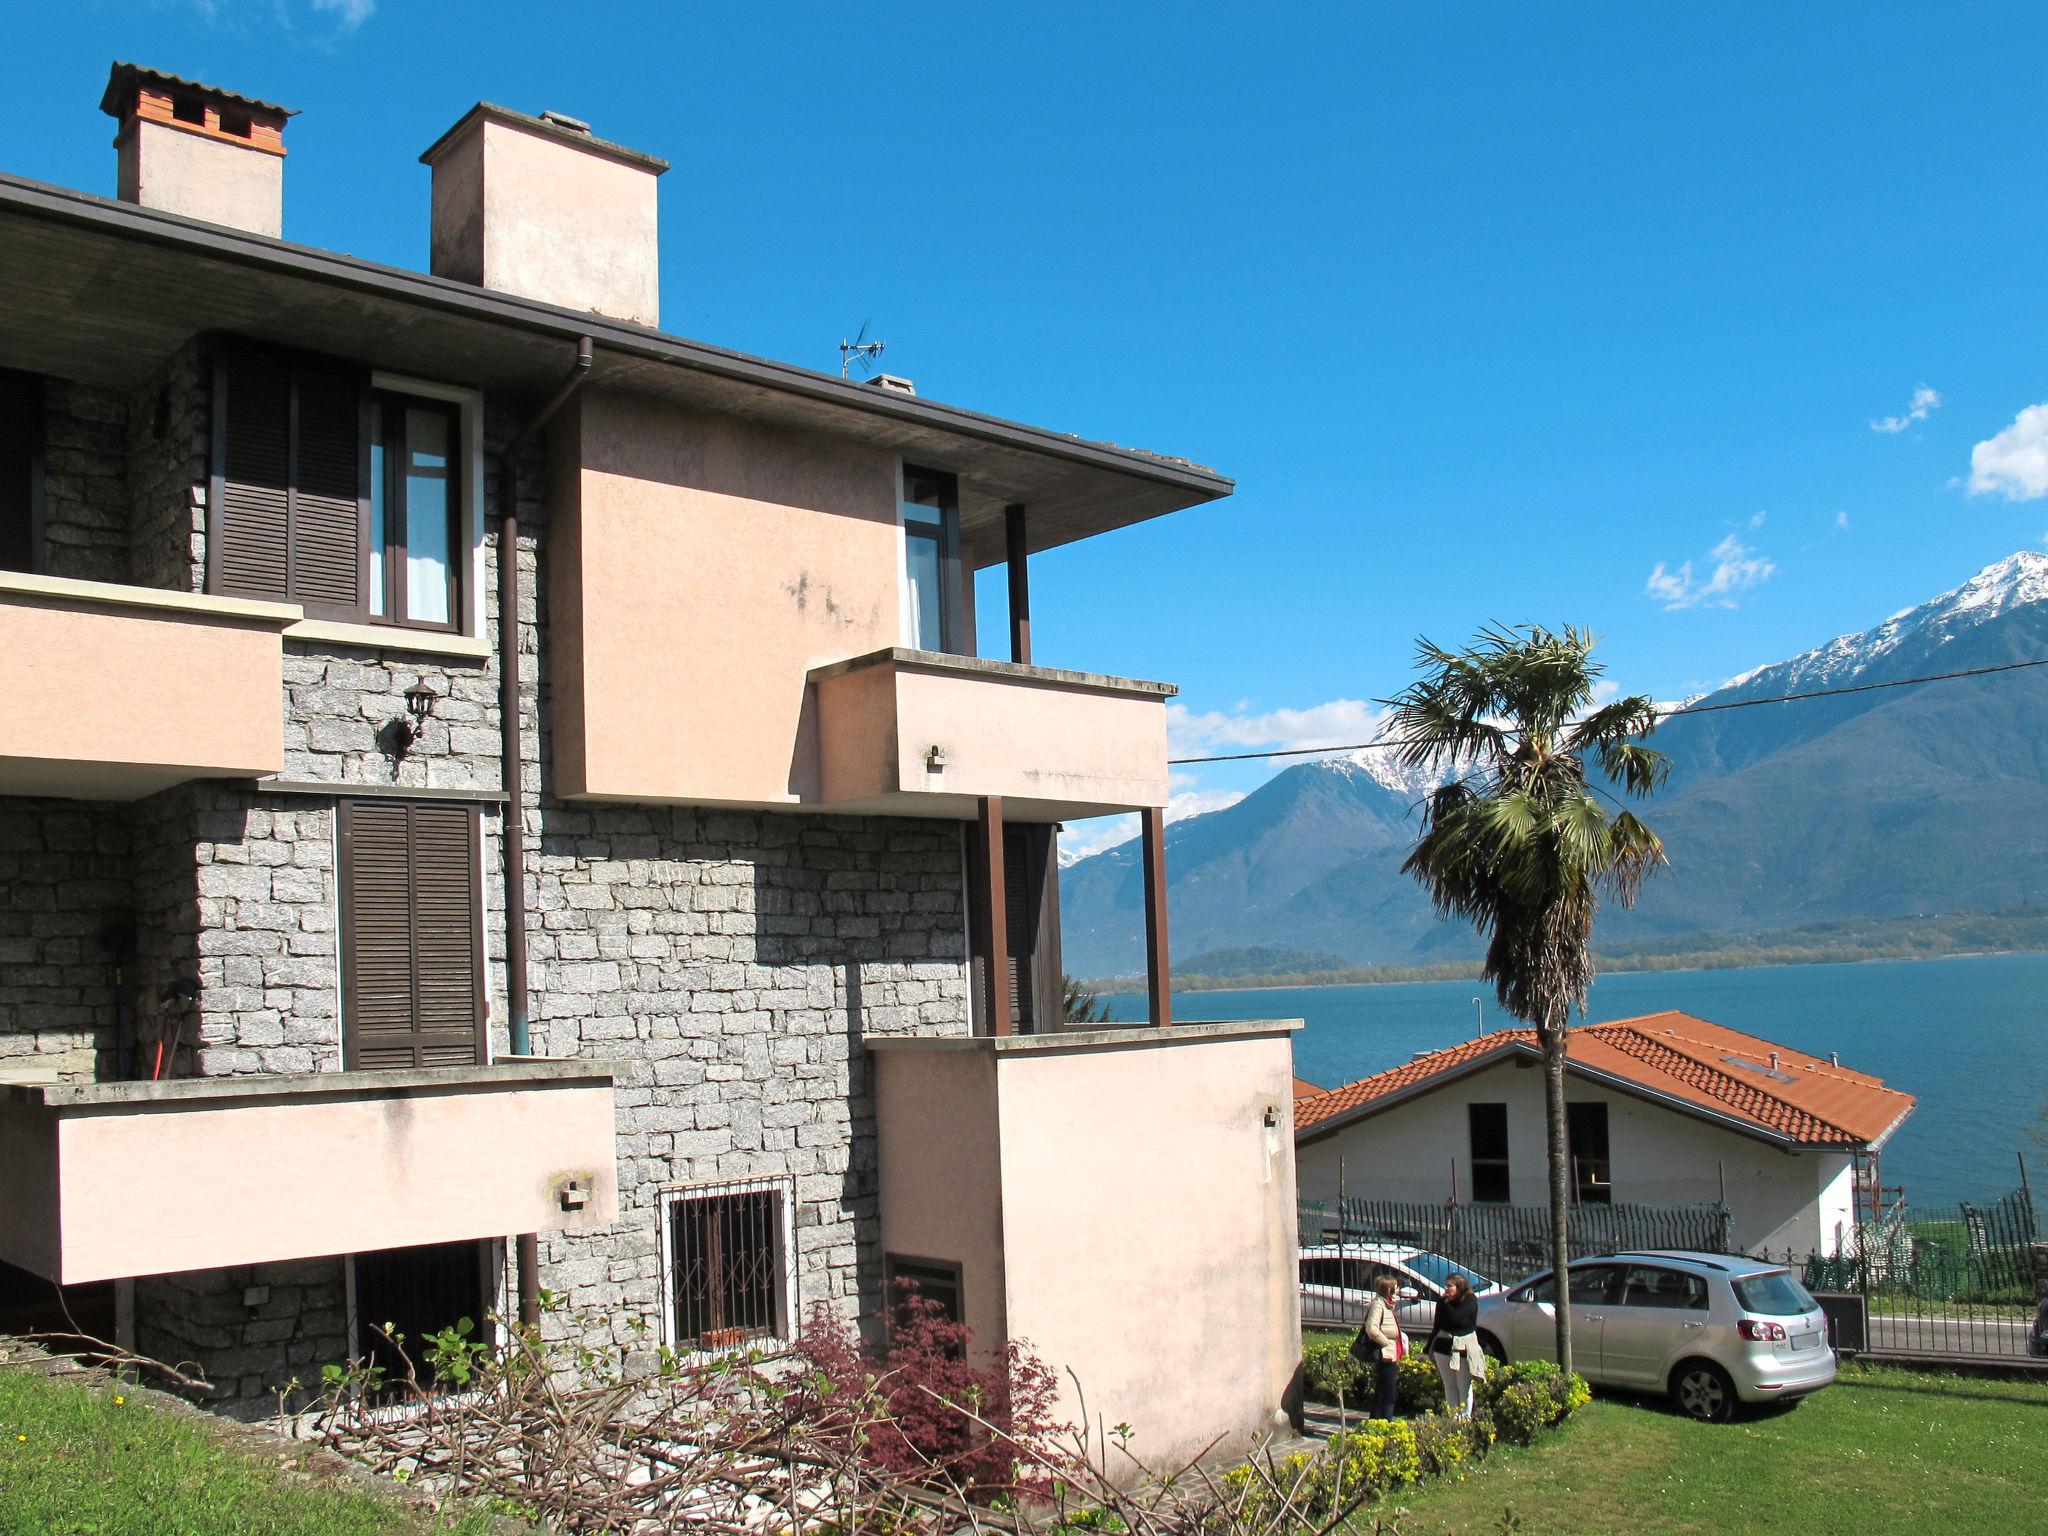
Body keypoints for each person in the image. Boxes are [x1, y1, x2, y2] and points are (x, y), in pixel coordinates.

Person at [1424, 1273, 1487, 1418]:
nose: (1446, 1289)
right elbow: (1438, 1325)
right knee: (1450, 1386)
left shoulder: (1470, 1300)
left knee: (1463, 1386)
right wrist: (1427, 1349)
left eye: (1449, 1286)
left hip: (1463, 1349)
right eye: (1446, 1285)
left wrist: (1446, 1304)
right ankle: (1453, 1418)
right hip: (1443, 1349)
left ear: (1459, 1287)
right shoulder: (1443, 1302)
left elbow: (1457, 1319)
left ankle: (1465, 1419)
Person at [1347, 1273, 1404, 1419]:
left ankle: (1378, 1418)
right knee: (1386, 1390)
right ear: (1389, 1290)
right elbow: (1371, 1328)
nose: (1398, 1290)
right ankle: (1384, 1418)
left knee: (1384, 1388)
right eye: (1395, 1288)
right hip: (1384, 1353)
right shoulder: (1378, 1305)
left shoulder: (1387, 1304)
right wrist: (1385, 1342)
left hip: (1391, 1352)